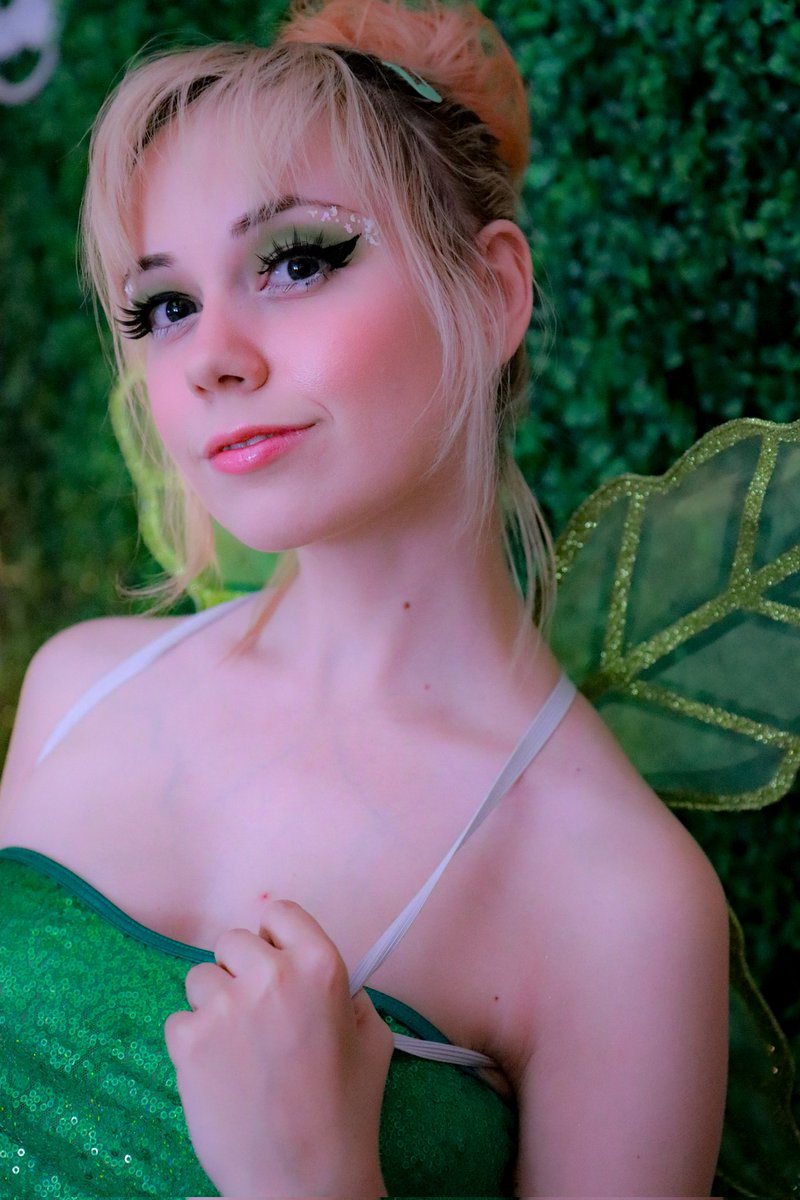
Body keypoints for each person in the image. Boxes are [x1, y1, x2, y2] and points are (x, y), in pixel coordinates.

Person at [0, 0, 729, 1195]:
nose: (211, 357)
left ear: (490, 293)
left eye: (295, 261)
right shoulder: (75, 689)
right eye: (166, 305)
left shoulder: (618, 903)